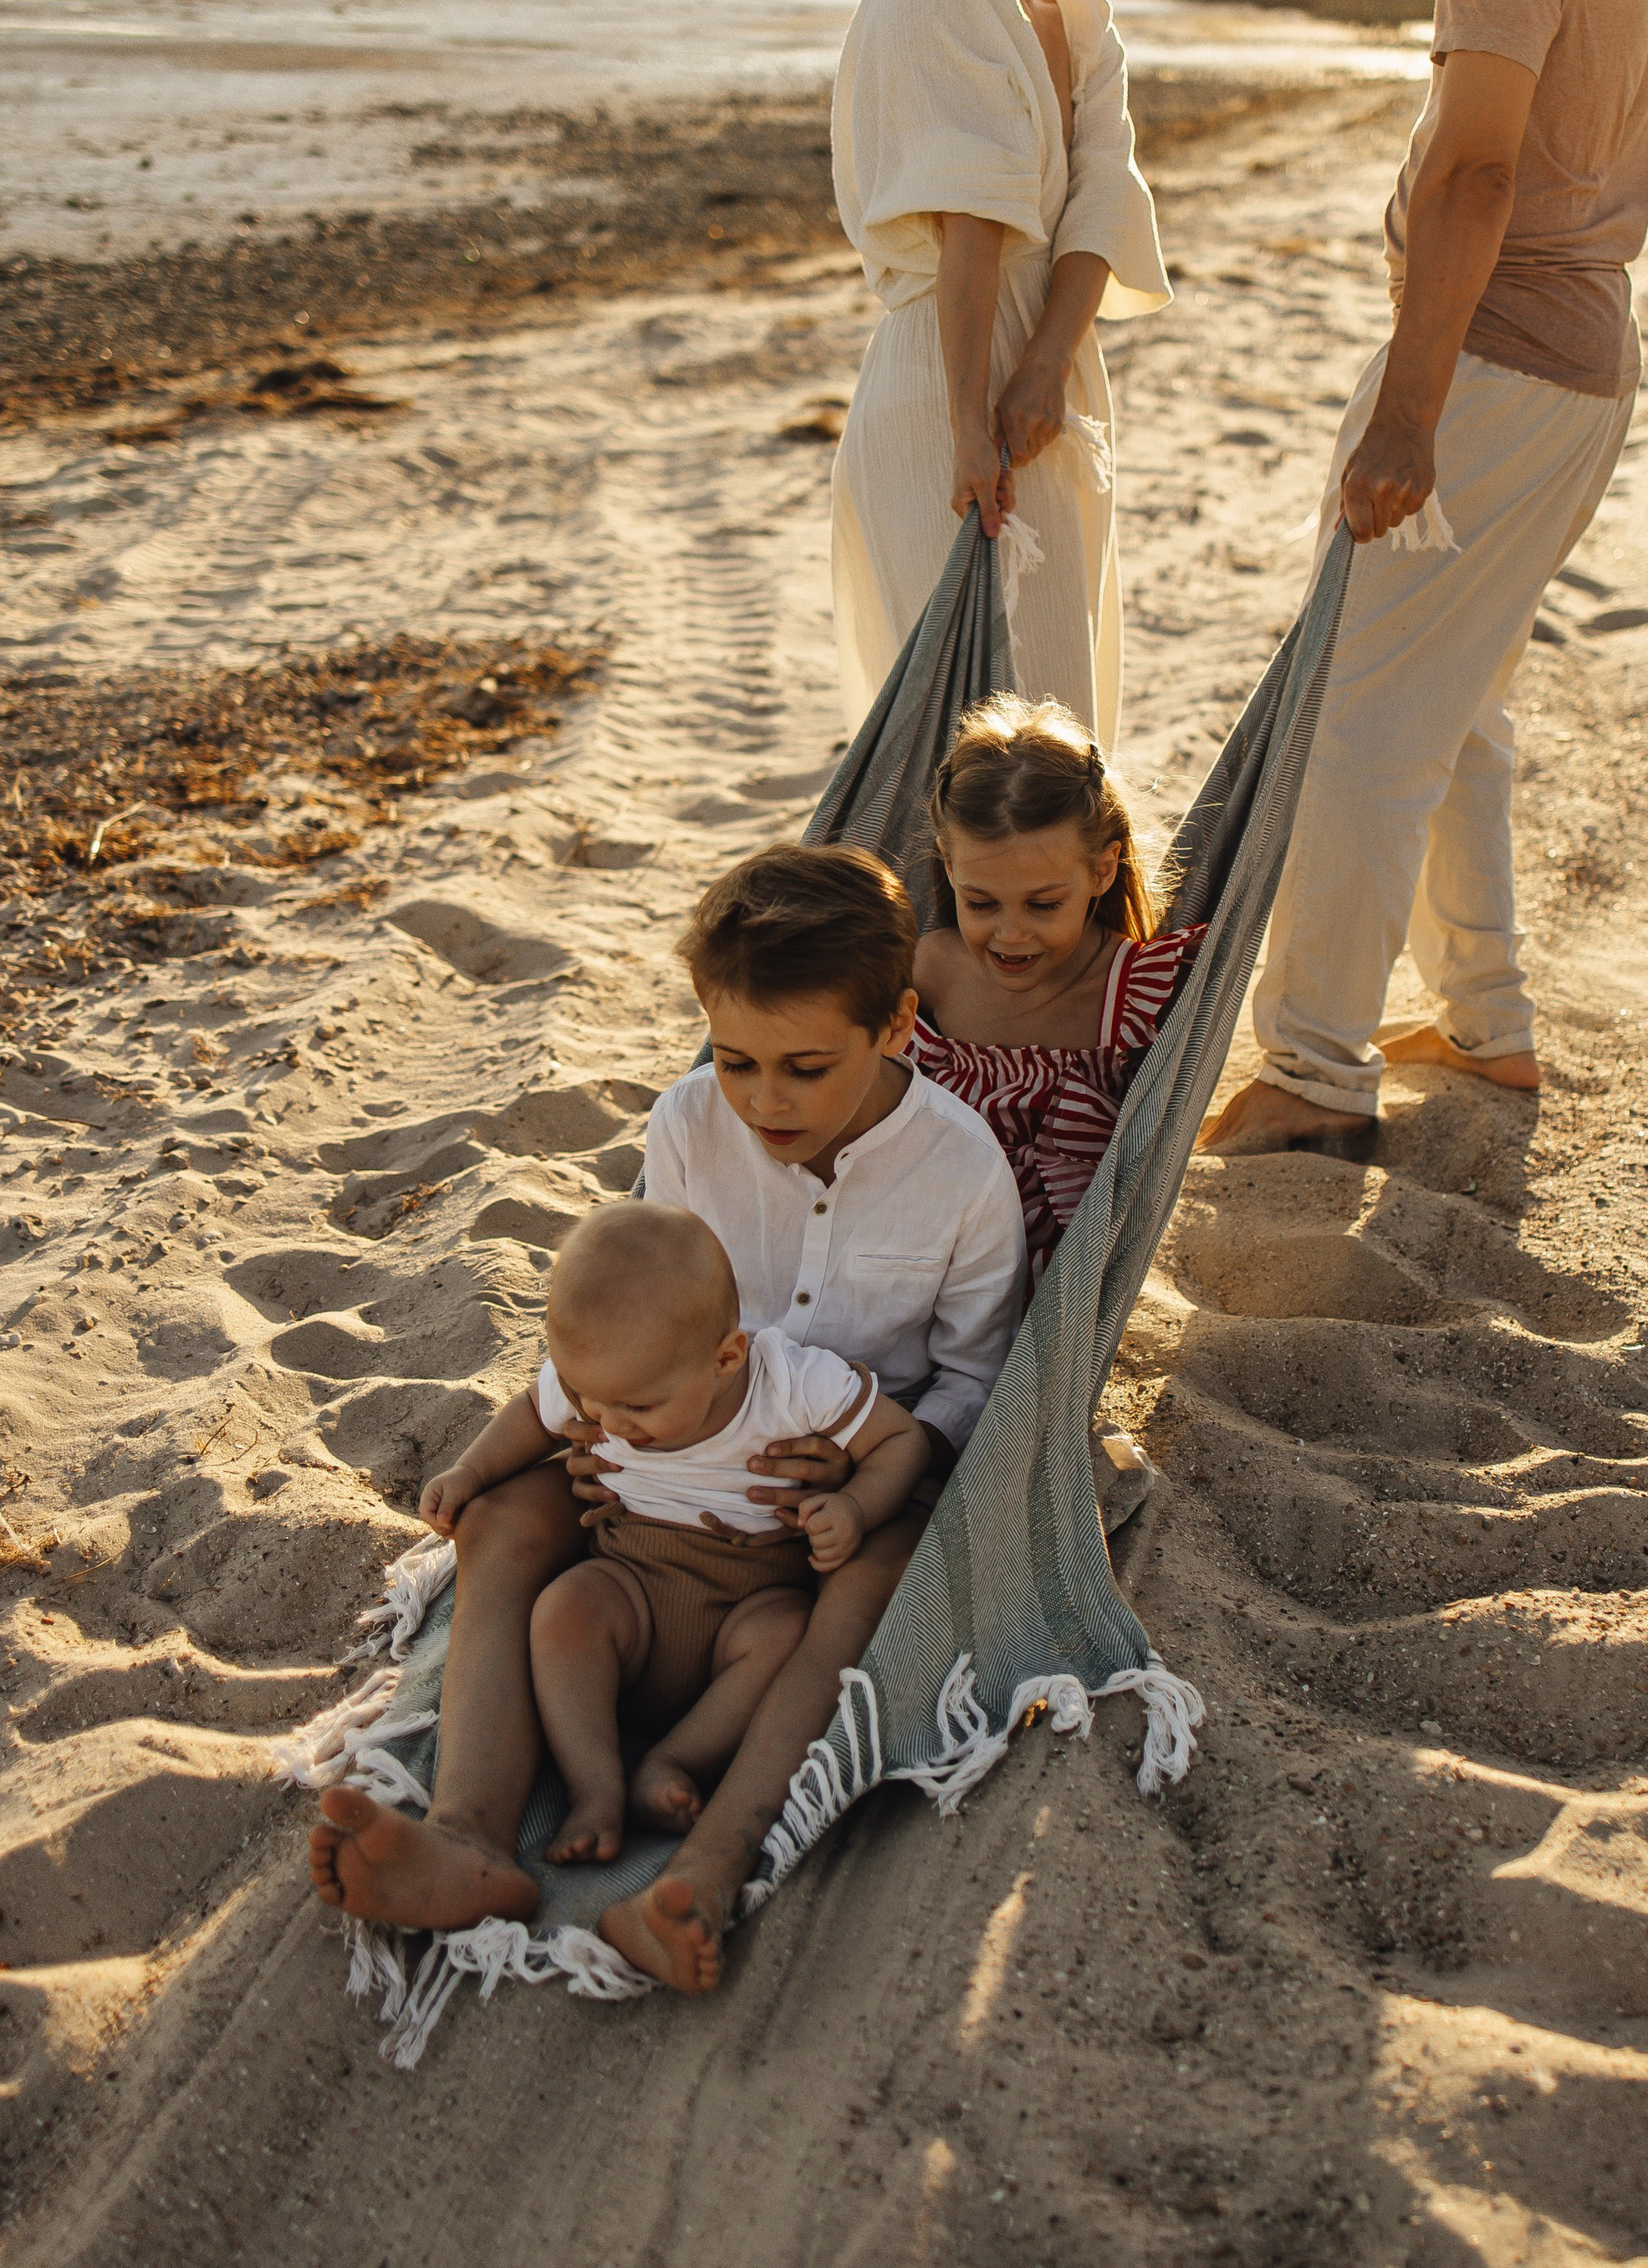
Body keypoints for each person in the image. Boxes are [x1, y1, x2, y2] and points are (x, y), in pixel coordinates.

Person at [308, 845, 1026, 1941]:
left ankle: (707, 1862)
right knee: (503, 1516)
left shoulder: (964, 1171)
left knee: (881, 1577)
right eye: (737, 1061)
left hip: (832, 1502)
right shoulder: (690, 1123)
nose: (764, 1099)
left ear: (895, 1029)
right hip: (658, 1470)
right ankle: (470, 1836)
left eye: (803, 1067)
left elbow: (978, 1374)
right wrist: (620, 1420)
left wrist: (873, 1473)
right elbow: (652, 1299)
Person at [1208, 0, 1648, 1153]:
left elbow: (1480, 169)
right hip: (1588, 363)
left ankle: (1315, 1065)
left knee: (1355, 713)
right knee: (1458, 703)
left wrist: (1405, 410)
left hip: (1491, 364)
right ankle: (1488, 1031)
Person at [829, 0, 1171, 747]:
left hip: (1051, 390)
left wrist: (1045, 373)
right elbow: (969, 215)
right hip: (945, 380)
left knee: (1056, 726)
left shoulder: (1082, 26)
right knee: (953, 742)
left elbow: (1104, 208)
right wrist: (974, 419)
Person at [462, 1204, 926, 1862]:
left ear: (727, 1358)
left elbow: (900, 1439)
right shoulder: (607, 1372)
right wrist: (467, 1471)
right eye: (592, 1401)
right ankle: (595, 1786)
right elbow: (531, 1416)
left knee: (786, 1636)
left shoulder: (794, 1382)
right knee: (563, 1610)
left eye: (638, 1407)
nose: (610, 1422)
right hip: (631, 1579)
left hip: (752, 1596)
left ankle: (672, 1762)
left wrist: (856, 1507)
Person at [906, 692, 1206, 1281]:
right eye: (981, 902)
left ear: (1102, 869)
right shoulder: (930, 972)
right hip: (922, 1240)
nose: (1010, 934)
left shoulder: (1132, 993)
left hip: (1051, 1276)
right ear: (947, 865)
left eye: (1044, 904)